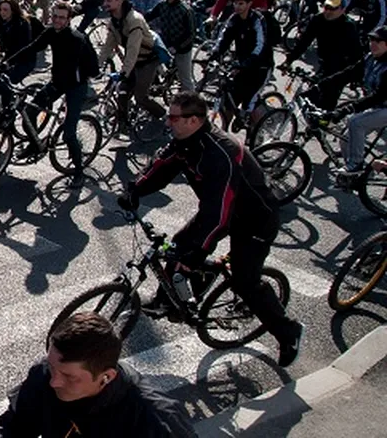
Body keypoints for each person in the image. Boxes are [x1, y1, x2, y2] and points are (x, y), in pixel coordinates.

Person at [122, 92, 304, 367]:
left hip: (255, 219)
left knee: (244, 280)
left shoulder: (221, 153)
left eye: (173, 117)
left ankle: (288, 332)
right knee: (177, 246)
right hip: (221, 211)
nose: (167, 121)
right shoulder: (185, 141)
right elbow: (162, 166)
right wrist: (135, 189)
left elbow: (219, 215)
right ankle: (169, 299)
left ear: (193, 120)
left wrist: (196, 250)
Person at [0, 311, 197, 437]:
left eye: (69, 377)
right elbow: (17, 428)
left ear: (107, 377)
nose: (54, 382)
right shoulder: (45, 375)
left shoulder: (155, 421)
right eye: (51, 367)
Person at [6, 1, 101, 179]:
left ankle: (79, 172)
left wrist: (79, 80)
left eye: (61, 17)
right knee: (28, 112)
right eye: (54, 16)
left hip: (75, 87)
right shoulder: (51, 32)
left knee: (68, 133)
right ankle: (35, 144)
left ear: (69, 19)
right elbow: (32, 47)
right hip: (57, 82)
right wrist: (7, 63)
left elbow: (93, 68)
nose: (57, 20)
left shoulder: (78, 39)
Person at [99, 0, 165, 130]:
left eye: (109, 0)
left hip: (146, 60)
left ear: (120, 0)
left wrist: (125, 72)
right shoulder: (114, 21)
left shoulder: (134, 20)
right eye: (105, 1)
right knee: (121, 91)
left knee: (141, 97)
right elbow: (108, 45)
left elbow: (133, 49)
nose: (106, 4)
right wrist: (96, 65)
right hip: (133, 60)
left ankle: (163, 116)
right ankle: (123, 123)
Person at [209, 0, 273, 131]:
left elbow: (260, 45)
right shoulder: (234, 19)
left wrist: (249, 61)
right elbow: (224, 38)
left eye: (241, 4)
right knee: (230, 100)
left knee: (249, 101)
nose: (237, 7)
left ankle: (258, 134)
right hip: (241, 65)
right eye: (235, 4)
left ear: (249, 4)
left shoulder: (257, 20)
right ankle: (222, 136)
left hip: (260, 66)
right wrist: (215, 54)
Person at [283, 0, 362, 109]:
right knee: (311, 96)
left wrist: (355, 76)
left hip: (342, 66)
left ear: (342, 10)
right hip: (325, 62)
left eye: (333, 9)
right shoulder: (318, 19)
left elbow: (356, 53)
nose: (328, 12)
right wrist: (288, 61)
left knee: (326, 99)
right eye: (326, 7)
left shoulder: (348, 26)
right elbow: (304, 42)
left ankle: (323, 123)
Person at [335, 25, 387, 184]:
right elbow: (349, 72)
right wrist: (320, 86)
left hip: (384, 106)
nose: (373, 43)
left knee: (355, 122)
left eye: (378, 40)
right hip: (379, 106)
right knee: (345, 138)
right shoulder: (371, 58)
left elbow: (378, 96)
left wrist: (349, 108)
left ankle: (355, 164)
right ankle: (355, 175)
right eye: (371, 39)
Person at [145, 0, 198, 91]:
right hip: (165, 43)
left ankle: (193, 103)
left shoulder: (185, 10)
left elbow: (191, 34)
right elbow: (149, 16)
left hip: (182, 48)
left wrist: (177, 47)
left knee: (185, 79)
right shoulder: (162, 5)